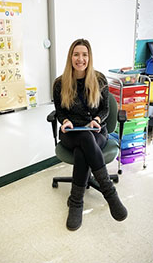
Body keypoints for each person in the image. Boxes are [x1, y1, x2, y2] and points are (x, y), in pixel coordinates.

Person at [53, 38, 128, 231]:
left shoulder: (99, 79)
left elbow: (105, 109)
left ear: (89, 57)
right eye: (76, 54)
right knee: (84, 139)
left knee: (82, 150)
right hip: (72, 133)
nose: (80, 59)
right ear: (70, 57)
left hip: (96, 130)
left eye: (84, 54)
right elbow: (60, 111)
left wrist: (97, 121)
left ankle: (76, 203)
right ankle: (110, 194)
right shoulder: (60, 83)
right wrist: (66, 121)